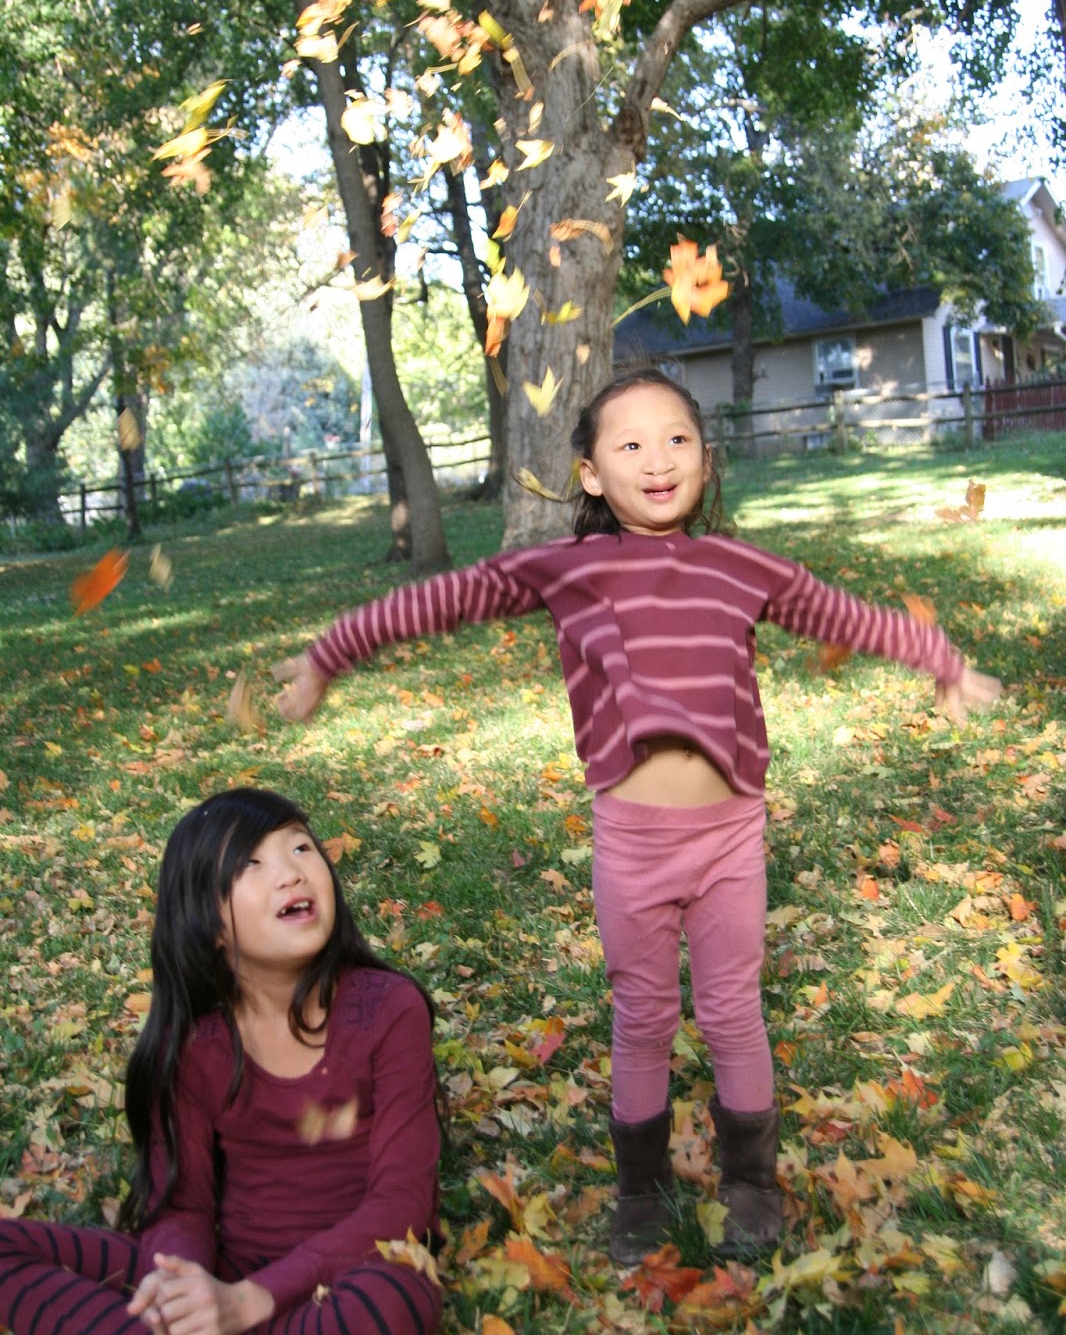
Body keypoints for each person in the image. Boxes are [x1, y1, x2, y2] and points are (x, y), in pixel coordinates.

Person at [273, 368, 1001, 1267]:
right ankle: (641, 1190)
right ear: (590, 473)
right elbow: (439, 600)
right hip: (632, 844)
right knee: (644, 1016)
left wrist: (938, 658)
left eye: (677, 440)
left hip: (731, 836)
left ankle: (750, 1181)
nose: (658, 461)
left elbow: (838, 614)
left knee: (732, 1010)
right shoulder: (570, 570)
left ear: (706, 458)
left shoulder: (741, 568)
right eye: (630, 445)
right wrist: (329, 654)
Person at [0, 787, 443, 1335]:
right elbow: (182, 1207)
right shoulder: (193, 1045)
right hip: (227, 1273)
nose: (291, 873)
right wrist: (181, 1286)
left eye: (301, 848)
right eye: (249, 863)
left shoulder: (389, 1009)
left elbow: (402, 1204)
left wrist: (253, 1300)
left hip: (351, 1272)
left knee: (392, 1298)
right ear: (206, 921)